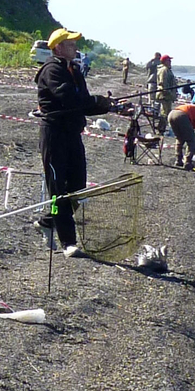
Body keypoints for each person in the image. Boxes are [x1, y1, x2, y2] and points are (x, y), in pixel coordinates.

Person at [35, 26, 113, 258]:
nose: (75, 48)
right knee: (57, 190)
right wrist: (97, 101)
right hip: (54, 135)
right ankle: (68, 242)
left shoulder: (75, 70)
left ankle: (48, 220)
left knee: (77, 186)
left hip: (73, 135)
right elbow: (69, 99)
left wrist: (106, 106)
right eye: (70, 44)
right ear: (58, 47)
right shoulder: (51, 70)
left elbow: (83, 104)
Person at [167, 101, 195, 167]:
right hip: (182, 115)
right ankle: (188, 162)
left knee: (180, 138)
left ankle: (178, 160)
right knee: (191, 141)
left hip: (171, 114)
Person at [156, 55, 178, 121]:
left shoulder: (167, 69)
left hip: (167, 96)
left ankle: (163, 128)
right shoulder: (164, 70)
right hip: (165, 96)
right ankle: (161, 130)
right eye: (169, 60)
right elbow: (163, 83)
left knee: (167, 113)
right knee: (165, 114)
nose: (170, 61)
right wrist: (170, 93)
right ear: (165, 61)